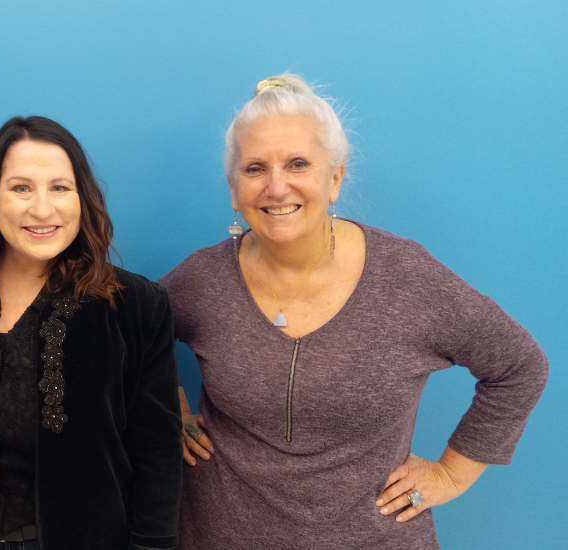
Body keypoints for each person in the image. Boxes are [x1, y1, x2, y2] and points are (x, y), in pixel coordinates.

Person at [160, 74, 548, 549]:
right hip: (219, 535)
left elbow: (519, 366)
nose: (276, 187)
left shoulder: (406, 277)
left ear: (335, 177)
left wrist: (452, 472)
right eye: (255, 168)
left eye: (298, 163)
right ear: (235, 189)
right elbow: (129, 336)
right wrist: (170, 410)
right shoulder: (202, 280)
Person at [0, 116, 183, 550]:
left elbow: (159, 454)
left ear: (82, 198)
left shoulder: (135, 307)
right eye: (20, 188)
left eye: (59, 187)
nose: (41, 209)